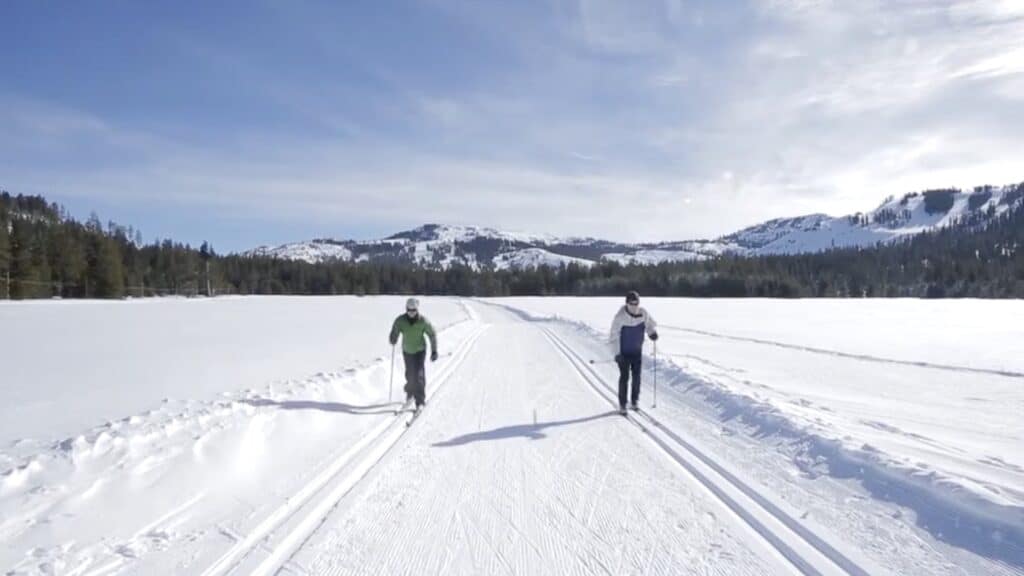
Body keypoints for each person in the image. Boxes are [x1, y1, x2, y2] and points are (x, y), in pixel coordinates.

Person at [609, 290, 658, 414]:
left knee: (637, 377)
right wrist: (617, 353)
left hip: (637, 352)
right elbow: (613, 337)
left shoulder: (643, 313)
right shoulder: (620, 317)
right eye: (632, 303)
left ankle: (634, 401)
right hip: (624, 354)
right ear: (627, 303)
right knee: (624, 377)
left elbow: (649, 324)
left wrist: (652, 333)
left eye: (636, 303)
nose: (634, 306)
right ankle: (622, 404)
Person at [389, 297, 438, 411]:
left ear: (417, 310)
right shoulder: (401, 320)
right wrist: (393, 337)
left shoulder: (423, 321)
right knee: (410, 374)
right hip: (407, 350)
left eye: (413, 310)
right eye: (409, 310)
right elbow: (395, 330)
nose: (411, 313)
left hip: (420, 351)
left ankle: (420, 401)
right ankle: (410, 393)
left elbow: (432, 334)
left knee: (419, 375)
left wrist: (434, 350)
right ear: (406, 309)